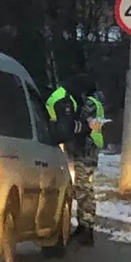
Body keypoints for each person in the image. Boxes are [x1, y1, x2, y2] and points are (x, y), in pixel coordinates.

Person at [47, 72, 105, 246]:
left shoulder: (90, 103)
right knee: (81, 187)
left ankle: (87, 229)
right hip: (86, 148)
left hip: (86, 149)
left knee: (84, 188)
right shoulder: (94, 101)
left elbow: (81, 125)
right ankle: (83, 226)